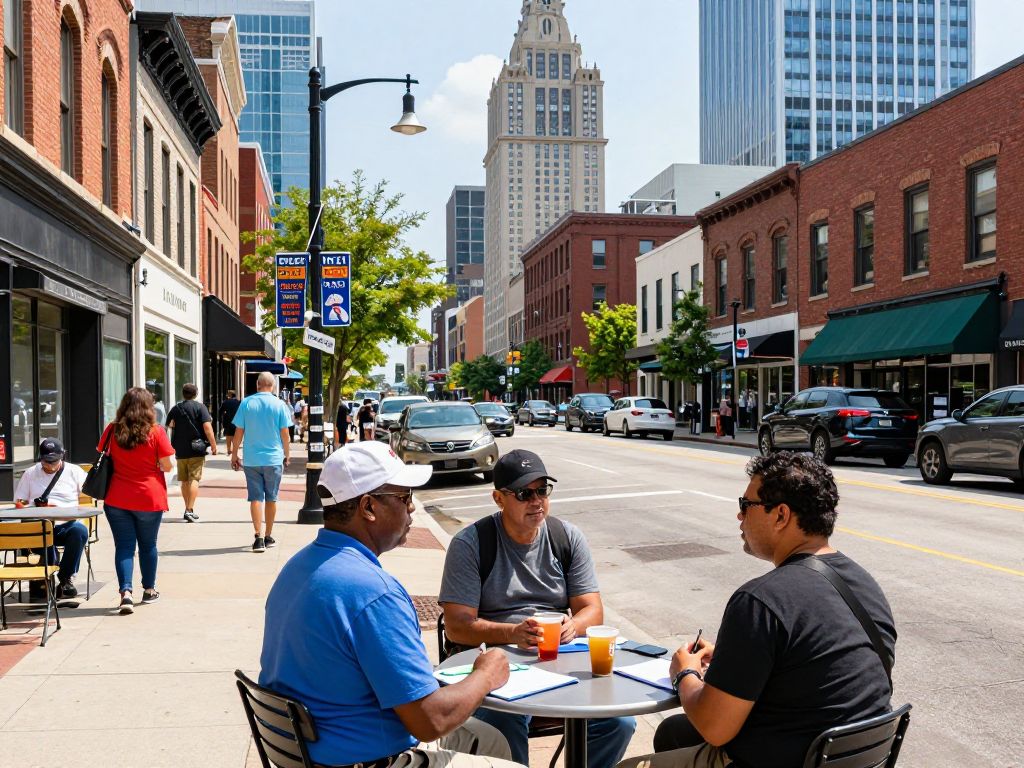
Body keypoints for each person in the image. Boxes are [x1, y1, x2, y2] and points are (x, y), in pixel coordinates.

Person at [621, 452, 897, 768]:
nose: (739, 516)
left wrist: (684, 673)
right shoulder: (865, 584)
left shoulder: (760, 600)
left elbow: (715, 728)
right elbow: (819, 667)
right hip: (854, 757)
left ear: (780, 515)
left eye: (746, 505)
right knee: (675, 732)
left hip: (786, 759)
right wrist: (733, 657)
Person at [260, 441, 523, 768]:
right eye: (404, 497)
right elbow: (430, 722)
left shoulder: (298, 567)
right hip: (367, 758)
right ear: (368, 507)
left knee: (489, 738)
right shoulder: (374, 592)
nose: (411, 508)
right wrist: (486, 674)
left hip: (308, 751)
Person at [439, 449, 636, 768]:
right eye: (524, 493)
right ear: (498, 498)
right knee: (504, 722)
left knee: (619, 722)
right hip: (496, 664)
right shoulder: (471, 544)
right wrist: (513, 633)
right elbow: (457, 625)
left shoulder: (566, 537)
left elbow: (592, 610)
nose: (536, 501)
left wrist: (574, 626)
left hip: (558, 660)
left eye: (542, 490)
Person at [100, 388, 175, 615]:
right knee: (148, 545)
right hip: (148, 498)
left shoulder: (112, 430)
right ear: (148, 407)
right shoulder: (156, 432)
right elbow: (168, 465)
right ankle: (149, 590)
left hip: (117, 497)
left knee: (123, 547)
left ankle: (126, 593)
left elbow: (103, 455)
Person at [12, 438, 89, 599]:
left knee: (80, 531)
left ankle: (65, 577)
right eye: (47, 462)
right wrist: (33, 503)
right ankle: (45, 577)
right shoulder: (30, 473)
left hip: (66, 524)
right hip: (39, 525)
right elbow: (19, 502)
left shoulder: (74, 471)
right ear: (40, 458)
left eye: (54, 461)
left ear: (63, 456)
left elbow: (91, 494)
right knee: (41, 533)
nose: (51, 466)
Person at [231, 371, 292, 553]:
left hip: (252, 459)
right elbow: (285, 435)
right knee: (272, 498)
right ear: (272, 386)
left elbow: (238, 433)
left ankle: (258, 537)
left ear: (257, 384)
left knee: (255, 498)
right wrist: (287, 455)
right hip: (273, 458)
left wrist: (234, 454)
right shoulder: (280, 405)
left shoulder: (247, 403)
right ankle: (268, 535)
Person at [166, 383, 218, 523]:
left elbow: (169, 425)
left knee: (184, 480)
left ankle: (187, 508)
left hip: (180, 448)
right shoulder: (200, 407)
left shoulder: (176, 408)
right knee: (194, 479)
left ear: (183, 394)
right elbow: (207, 428)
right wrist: (213, 446)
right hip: (197, 448)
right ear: (196, 394)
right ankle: (189, 510)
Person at [218, 389, 241, 455]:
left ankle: (229, 449)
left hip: (228, 421)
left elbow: (220, 412)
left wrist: (224, 414)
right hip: (237, 421)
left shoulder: (225, 402)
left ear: (230, 395)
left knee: (228, 436)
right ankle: (234, 449)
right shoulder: (238, 402)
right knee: (235, 436)